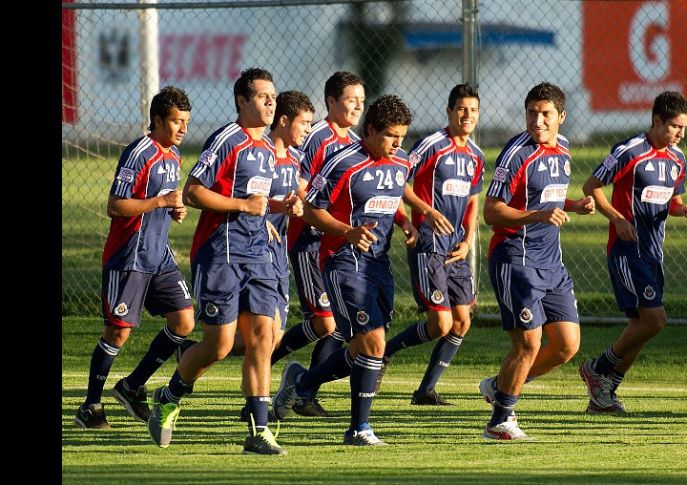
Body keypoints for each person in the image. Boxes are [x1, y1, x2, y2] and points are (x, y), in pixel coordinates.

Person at [146, 68, 294, 455]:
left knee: (264, 338)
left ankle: (259, 431)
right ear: (242, 101)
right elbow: (193, 191)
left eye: (272, 96)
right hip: (221, 254)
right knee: (220, 344)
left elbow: (255, 202)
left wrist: (278, 207)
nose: (269, 102)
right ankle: (169, 396)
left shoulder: (267, 151)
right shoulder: (229, 139)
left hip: (258, 254)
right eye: (262, 96)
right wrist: (242, 205)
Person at [272, 94, 414, 446]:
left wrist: (407, 223)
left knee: (361, 350)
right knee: (373, 344)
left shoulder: (401, 163)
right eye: (391, 136)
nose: (397, 144)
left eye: (402, 136)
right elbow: (309, 210)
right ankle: (358, 429)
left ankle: (302, 382)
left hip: (378, 264)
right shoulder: (343, 163)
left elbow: (392, 197)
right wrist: (348, 232)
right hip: (342, 261)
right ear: (370, 130)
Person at [478, 82, 596, 440]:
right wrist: (538, 216)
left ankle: (501, 385)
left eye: (545, 114)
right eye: (532, 113)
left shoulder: (563, 149)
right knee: (527, 344)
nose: (538, 121)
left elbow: (550, 199)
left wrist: (574, 205)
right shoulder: (516, 153)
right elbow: (492, 212)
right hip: (516, 259)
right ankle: (500, 420)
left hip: (551, 263)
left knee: (566, 345)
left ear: (561, 116)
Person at [74, 86, 195, 429]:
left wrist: (174, 209)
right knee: (118, 332)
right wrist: (160, 202)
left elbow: (162, 199)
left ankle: (132, 386)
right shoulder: (139, 152)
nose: (183, 128)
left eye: (186, 121)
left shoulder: (172, 155)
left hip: (159, 257)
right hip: (129, 257)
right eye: (176, 121)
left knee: (184, 321)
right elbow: (116, 206)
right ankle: (90, 406)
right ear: (158, 120)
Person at [578, 91, 687, 414]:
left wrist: (683, 208)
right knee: (654, 321)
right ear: (657, 121)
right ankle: (597, 369)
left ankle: (603, 393)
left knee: (639, 328)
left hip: (653, 253)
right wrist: (617, 219)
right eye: (675, 127)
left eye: (684, 128)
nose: (680, 135)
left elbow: (671, 200)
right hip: (627, 251)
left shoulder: (677, 159)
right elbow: (591, 186)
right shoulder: (629, 151)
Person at [375, 84, 484, 405]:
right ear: (449, 111)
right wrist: (423, 213)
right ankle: (385, 354)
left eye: (474, 110)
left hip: (456, 249)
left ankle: (425, 390)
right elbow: (398, 179)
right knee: (441, 323)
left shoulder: (475, 155)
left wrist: (467, 241)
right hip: (428, 245)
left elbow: (473, 202)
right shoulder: (432, 146)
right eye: (462, 109)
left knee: (462, 321)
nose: (468, 115)